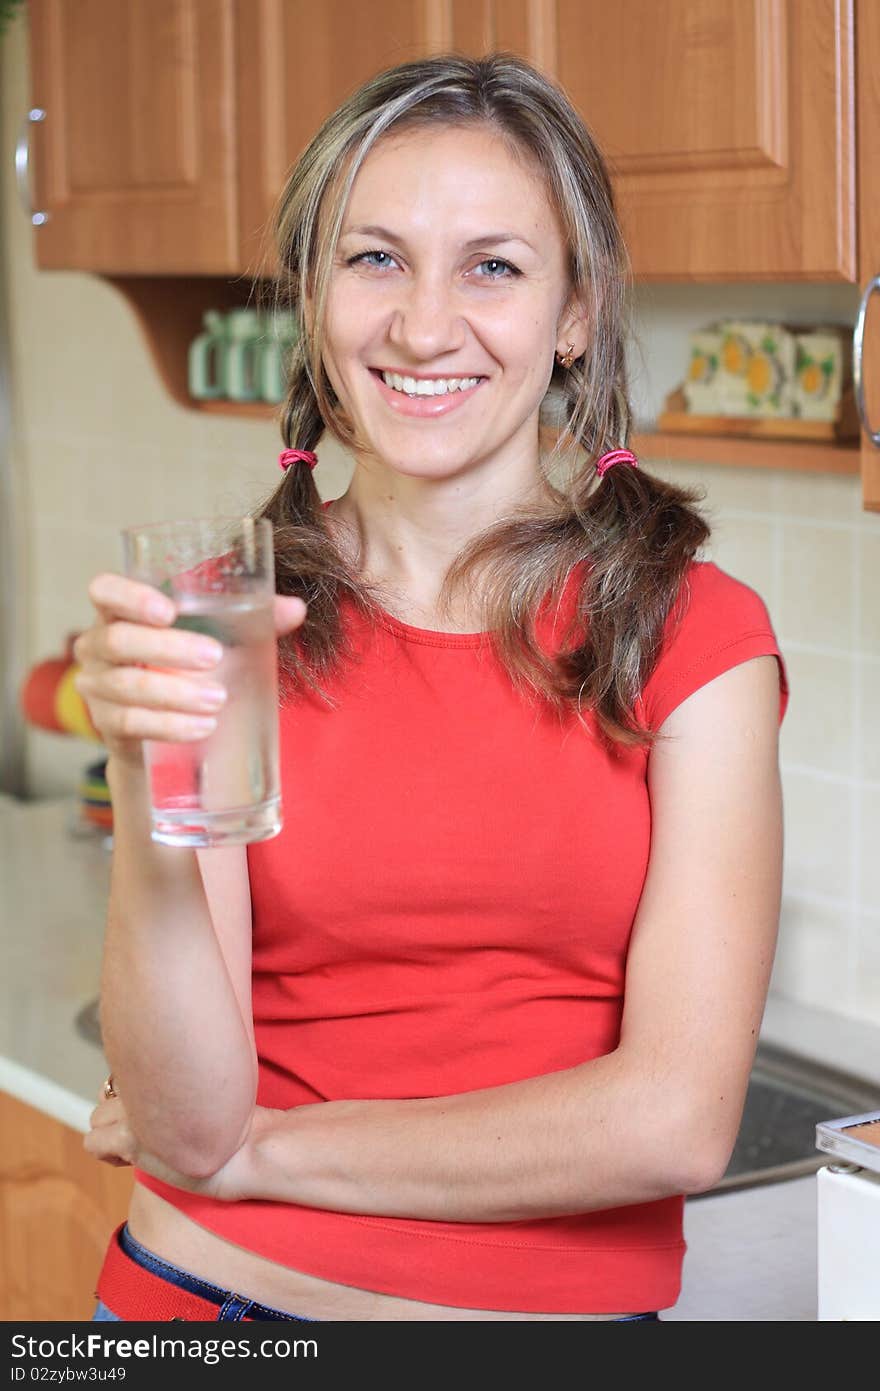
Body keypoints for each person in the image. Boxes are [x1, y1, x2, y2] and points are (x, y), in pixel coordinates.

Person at [76, 53, 789, 1323]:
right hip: (200, 1310)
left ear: (577, 310)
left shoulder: (693, 634)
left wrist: (266, 1152)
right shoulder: (221, 619)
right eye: (375, 258)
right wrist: (142, 773)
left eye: (495, 266)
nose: (420, 325)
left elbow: (674, 1122)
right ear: (312, 291)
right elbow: (184, 1117)